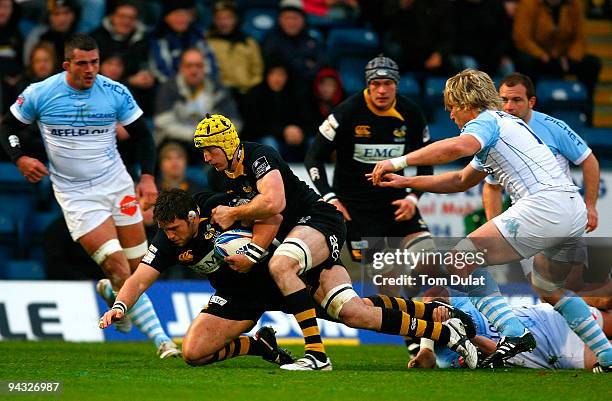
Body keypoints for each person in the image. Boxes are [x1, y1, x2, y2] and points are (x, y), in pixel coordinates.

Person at [369, 69, 612, 371]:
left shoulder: (486, 121)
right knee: (549, 287)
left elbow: (458, 147)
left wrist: (399, 161)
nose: (451, 115)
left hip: (544, 205)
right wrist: (406, 182)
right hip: (570, 208)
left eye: (451, 107)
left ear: (464, 102)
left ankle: (514, 333)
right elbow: (460, 180)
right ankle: (607, 357)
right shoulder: (505, 127)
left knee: (460, 258)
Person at [194, 114, 478, 370]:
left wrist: (235, 217)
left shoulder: (259, 156)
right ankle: (444, 328)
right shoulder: (219, 177)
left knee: (281, 265)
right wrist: (251, 248)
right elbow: (265, 220)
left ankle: (316, 355)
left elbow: (274, 203)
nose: (206, 157)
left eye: (210, 149)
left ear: (229, 144)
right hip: (301, 241)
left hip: (319, 220)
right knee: (354, 313)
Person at [100, 188, 479, 369]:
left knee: (356, 313)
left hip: (285, 278)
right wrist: (119, 305)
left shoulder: (223, 210)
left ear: (194, 217)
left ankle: (440, 323)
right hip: (239, 299)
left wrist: (253, 250)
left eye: (174, 228)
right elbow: (139, 278)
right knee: (193, 354)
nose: (169, 236)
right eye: (164, 230)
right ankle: (260, 347)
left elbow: (273, 214)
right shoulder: (167, 241)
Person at [0, 34, 179, 359]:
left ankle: (113, 293)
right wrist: (20, 158)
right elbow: (7, 127)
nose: (90, 69)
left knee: (139, 268)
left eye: (94, 62)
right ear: (67, 64)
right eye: (82, 63)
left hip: (118, 186)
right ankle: (163, 341)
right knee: (118, 265)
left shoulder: (115, 92)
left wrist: (148, 177)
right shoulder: (41, 93)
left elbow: (143, 137)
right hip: (76, 194)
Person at [304, 55, 435, 291]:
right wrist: (330, 197)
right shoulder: (345, 112)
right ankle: (403, 315)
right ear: (368, 84)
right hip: (356, 211)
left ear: (397, 84)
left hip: (396, 205)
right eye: (376, 84)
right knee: (390, 286)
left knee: (429, 262)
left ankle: (428, 309)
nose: (382, 90)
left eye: (388, 84)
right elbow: (313, 157)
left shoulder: (411, 113)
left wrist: (413, 198)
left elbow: (427, 161)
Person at [483, 72, 601, 293]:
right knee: (546, 292)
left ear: (531, 102)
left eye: (516, 100)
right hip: (529, 221)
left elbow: (589, 160)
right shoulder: (496, 133)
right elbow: (491, 185)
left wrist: (591, 205)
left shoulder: (553, 126)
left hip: (564, 216)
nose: (508, 107)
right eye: (503, 100)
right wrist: (496, 226)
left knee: (572, 286)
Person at [408, 286, 611, 372]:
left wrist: (437, 308)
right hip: (556, 351)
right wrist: (466, 335)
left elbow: (435, 293)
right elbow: (495, 353)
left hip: (546, 317)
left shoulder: (456, 302)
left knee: (605, 306)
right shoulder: (448, 359)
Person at [512, 0, 602, 124]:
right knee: (525, 62)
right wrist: (542, 55)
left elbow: (580, 38)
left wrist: (571, 58)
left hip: (564, 57)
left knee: (592, 64)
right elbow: (522, 38)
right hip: (538, 57)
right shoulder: (528, 4)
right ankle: (530, 114)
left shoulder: (574, 5)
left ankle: (586, 113)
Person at [154, 47, 240, 164]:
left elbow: (234, 122)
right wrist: (197, 135)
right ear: (181, 68)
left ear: (205, 68)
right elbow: (162, 123)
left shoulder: (217, 88)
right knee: (172, 151)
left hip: (211, 144)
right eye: (189, 66)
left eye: (199, 66)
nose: (194, 71)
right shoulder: (169, 88)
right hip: (178, 142)